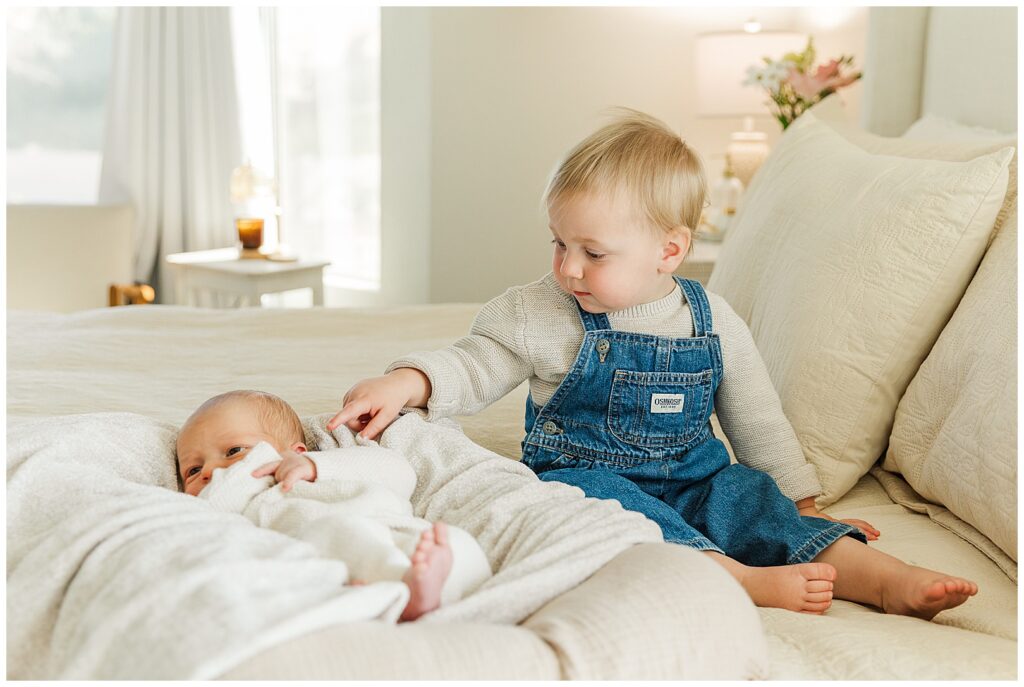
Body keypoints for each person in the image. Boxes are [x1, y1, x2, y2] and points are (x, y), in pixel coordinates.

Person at [327, 109, 978, 620]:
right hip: (584, 473)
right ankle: (740, 581)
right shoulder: (546, 310)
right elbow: (477, 361)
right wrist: (409, 380)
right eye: (559, 242)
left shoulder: (709, 315)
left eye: (593, 251)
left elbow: (756, 415)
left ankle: (885, 579)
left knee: (755, 508)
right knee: (622, 521)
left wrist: (800, 501)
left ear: (669, 250)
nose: (568, 267)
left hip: (699, 475)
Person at [176, 389, 491, 622]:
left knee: (456, 543)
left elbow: (400, 473)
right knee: (338, 533)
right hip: (336, 551)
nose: (210, 471)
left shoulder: (323, 466)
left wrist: (313, 465)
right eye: (192, 470)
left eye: (233, 450)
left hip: (398, 529)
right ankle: (405, 596)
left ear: (292, 450)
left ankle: (434, 587)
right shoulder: (235, 503)